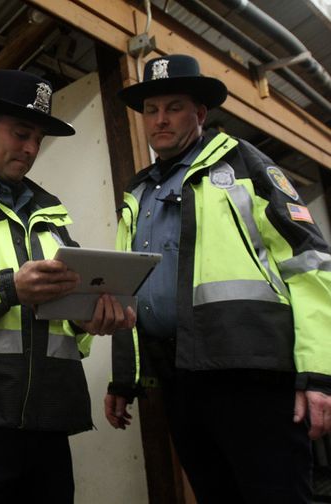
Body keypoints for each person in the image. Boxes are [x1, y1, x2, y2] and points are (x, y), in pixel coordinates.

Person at [105, 53, 331, 503]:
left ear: (200, 113)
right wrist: (124, 378)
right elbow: (128, 287)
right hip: (177, 379)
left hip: (252, 374)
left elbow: (311, 265)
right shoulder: (138, 191)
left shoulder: (244, 164)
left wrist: (320, 373)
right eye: (151, 110)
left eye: (174, 107)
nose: (160, 119)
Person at [0, 69, 136, 504]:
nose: (31, 149)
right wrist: (9, 288)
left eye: (37, 139)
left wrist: (91, 320)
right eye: (21, 134)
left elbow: (64, 319)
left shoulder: (52, 214)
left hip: (48, 424)